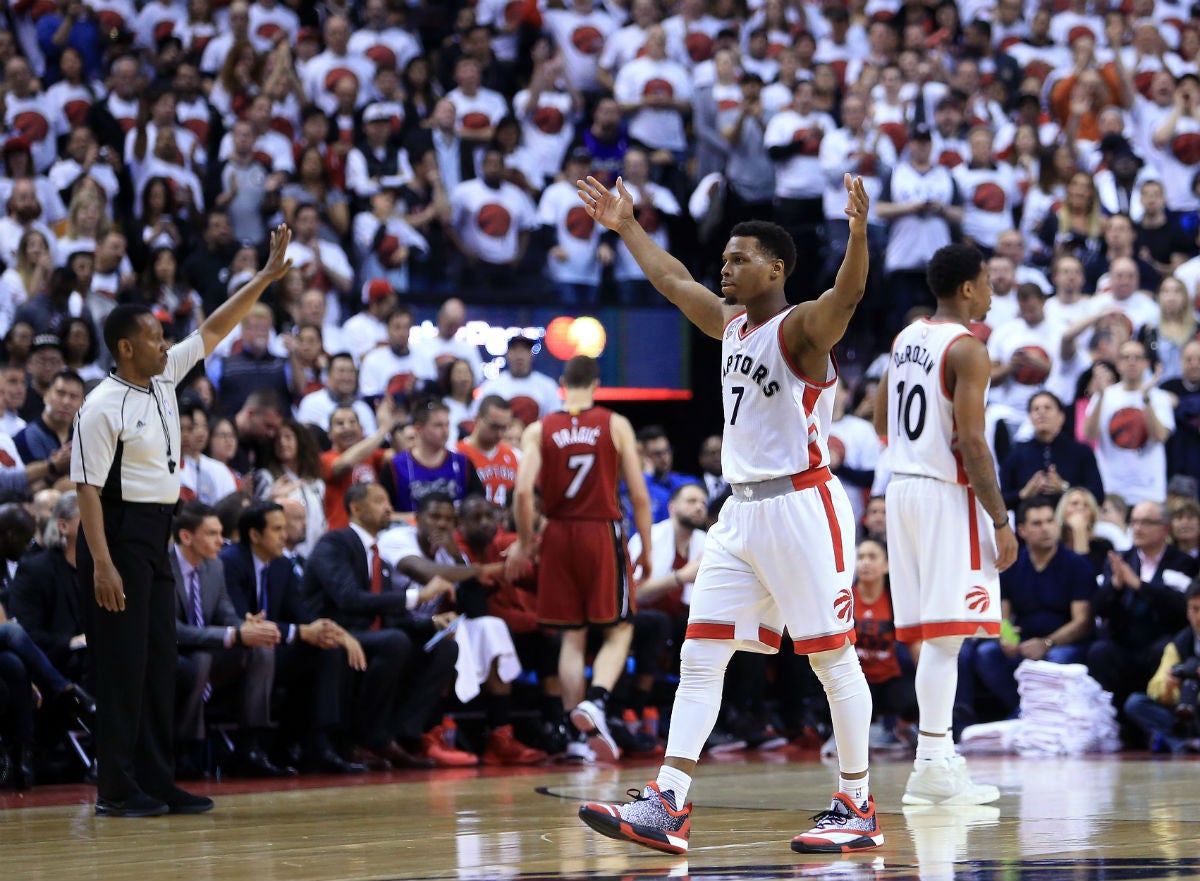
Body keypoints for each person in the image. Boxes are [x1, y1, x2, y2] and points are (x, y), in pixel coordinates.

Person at [572, 173, 883, 854]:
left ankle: (857, 804)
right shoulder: (731, 323)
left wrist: (858, 234)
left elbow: (849, 294)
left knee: (831, 659)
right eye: (725, 258)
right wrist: (627, 226)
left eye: (740, 259)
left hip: (802, 506)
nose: (726, 268)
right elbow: (672, 280)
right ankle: (668, 802)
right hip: (739, 514)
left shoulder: (801, 329)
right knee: (702, 651)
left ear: (776, 269)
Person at [69, 224, 293, 817]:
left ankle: (156, 780)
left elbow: (215, 326)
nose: (165, 343)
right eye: (154, 337)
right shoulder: (99, 406)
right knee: (122, 668)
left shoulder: (165, 374)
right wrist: (103, 564)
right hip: (116, 536)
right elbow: (86, 490)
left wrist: (263, 279)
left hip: (158, 534)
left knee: (158, 661)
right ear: (125, 348)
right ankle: (115, 790)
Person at [873, 242, 1017, 807]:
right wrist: (1000, 519)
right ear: (967, 288)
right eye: (988, 283)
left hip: (902, 488)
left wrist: (915, 450)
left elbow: (881, 417)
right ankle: (933, 764)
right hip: (943, 494)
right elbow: (973, 444)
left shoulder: (907, 337)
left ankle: (938, 758)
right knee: (946, 636)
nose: (991, 294)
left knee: (937, 636)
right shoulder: (969, 349)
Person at [506, 355, 650, 768]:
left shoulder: (539, 429)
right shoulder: (614, 423)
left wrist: (525, 542)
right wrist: (648, 547)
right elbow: (639, 495)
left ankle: (576, 739)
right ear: (596, 383)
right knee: (620, 628)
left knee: (572, 636)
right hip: (599, 530)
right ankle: (597, 701)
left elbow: (522, 492)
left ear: (561, 383)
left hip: (557, 532)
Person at [956, 497, 1095, 724]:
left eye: (1050, 521)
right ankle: (1025, 711)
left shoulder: (1076, 565)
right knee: (986, 653)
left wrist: (1047, 643)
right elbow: (1003, 613)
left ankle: (1027, 715)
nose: (1046, 529)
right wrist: (1007, 638)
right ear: (1021, 530)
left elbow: (1082, 622)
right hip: (1025, 642)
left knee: (1056, 659)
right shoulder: (1012, 565)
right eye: (1037, 523)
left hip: (1063, 644)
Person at [1123, 581, 1200, 754]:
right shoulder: (1179, 643)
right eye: (1194, 609)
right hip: (1184, 712)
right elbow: (1154, 688)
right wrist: (1169, 687)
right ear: (1187, 611)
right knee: (1136, 703)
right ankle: (1184, 743)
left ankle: (1174, 742)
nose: (1199, 617)